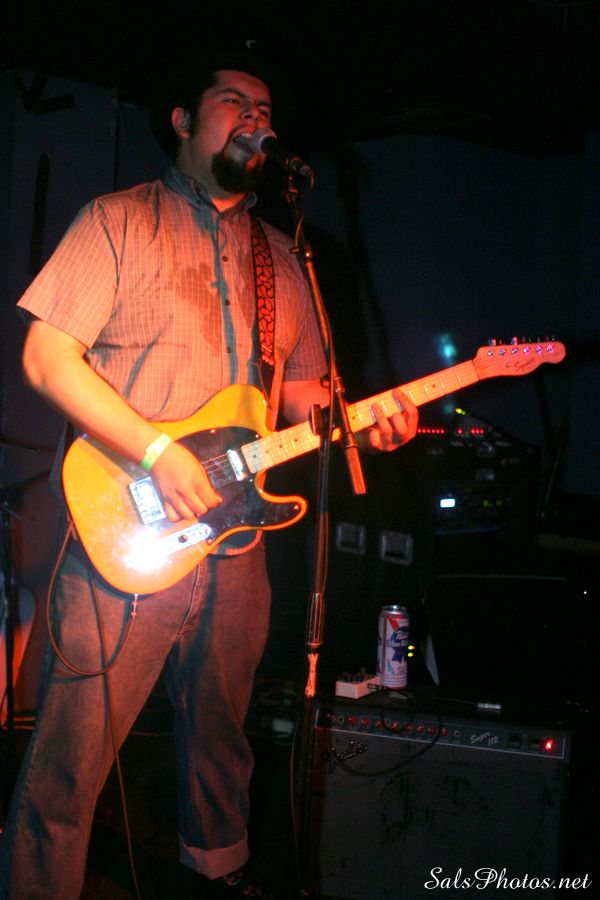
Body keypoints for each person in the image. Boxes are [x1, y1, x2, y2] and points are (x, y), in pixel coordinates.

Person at [0, 52, 418, 899]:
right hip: (127, 531)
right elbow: (46, 358)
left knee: (222, 740)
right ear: (184, 120)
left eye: (265, 108)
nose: (257, 118)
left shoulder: (283, 259)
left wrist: (370, 427)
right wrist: (158, 452)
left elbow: (304, 401)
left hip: (236, 547)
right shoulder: (118, 220)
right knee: (72, 758)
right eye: (234, 102)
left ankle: (217, 873)